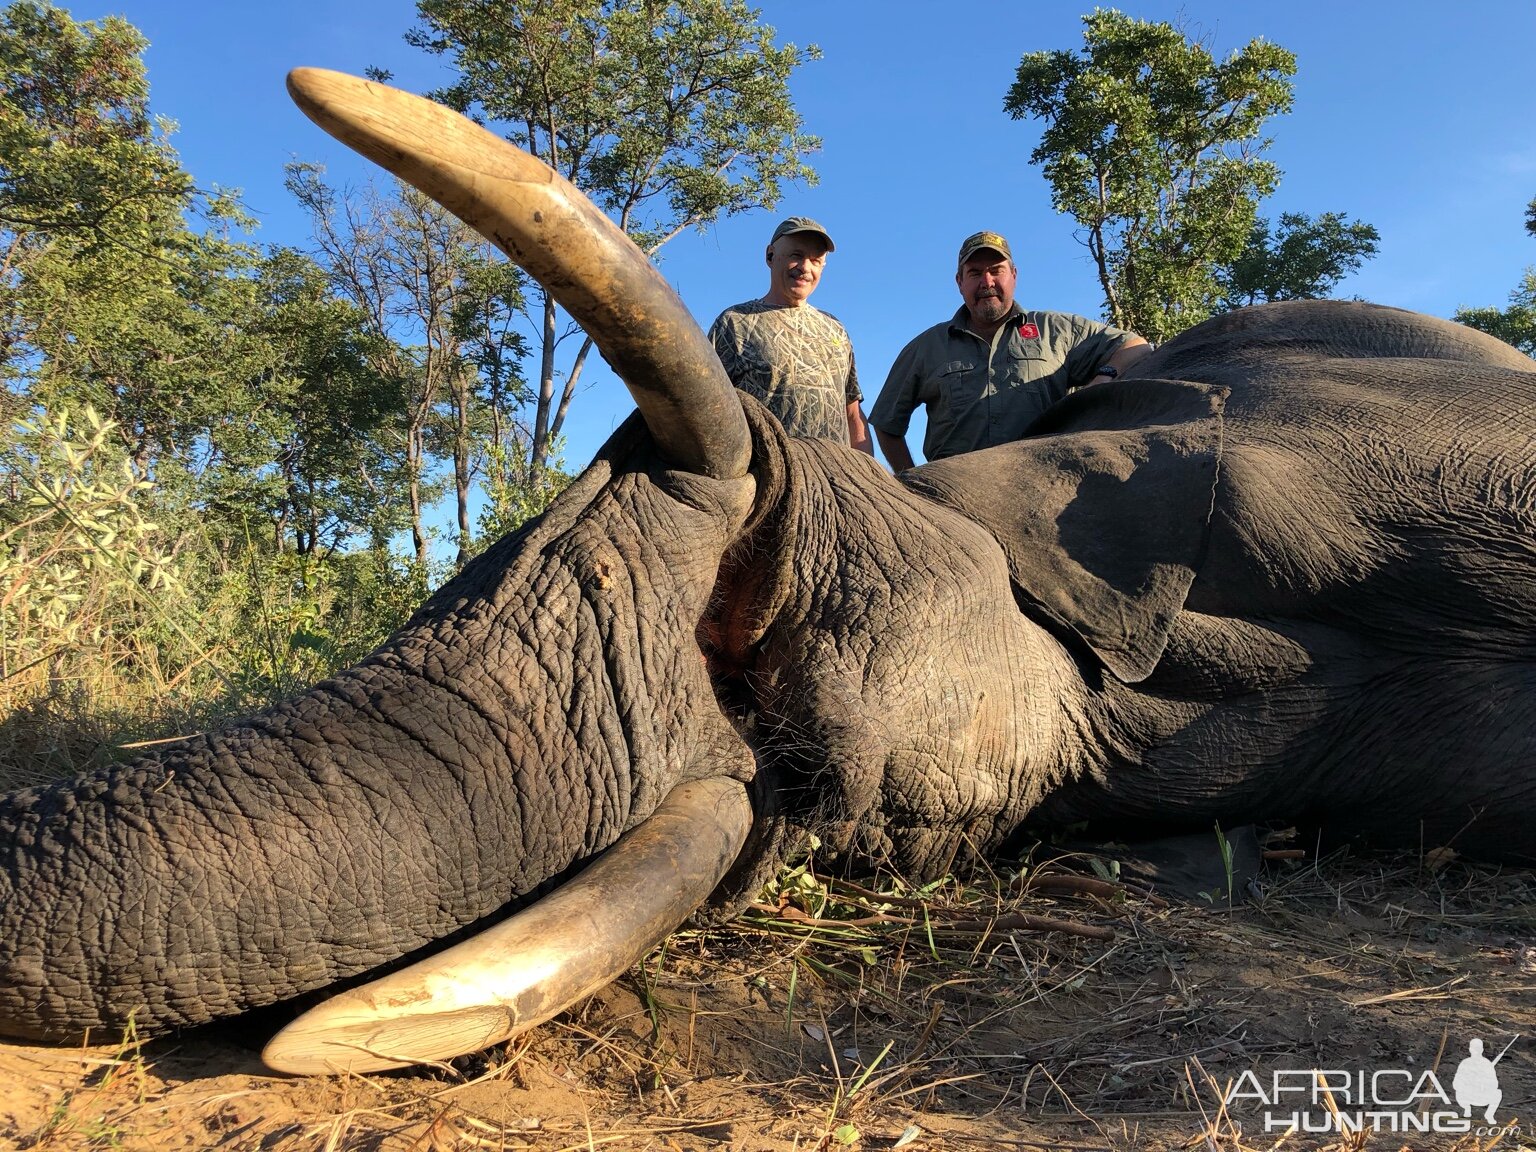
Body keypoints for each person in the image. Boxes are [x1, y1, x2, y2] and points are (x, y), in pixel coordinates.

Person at [871, 231, 1151, 471]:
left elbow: (1136, 346)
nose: (987, 282)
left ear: (1013, 276)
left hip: (1042, 488)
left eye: (996, 270)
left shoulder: (1058, 330)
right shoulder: (926, 346)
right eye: (975, 273)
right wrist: (911, 484)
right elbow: (886, 422)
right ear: (959, 282)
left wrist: (1104, 376)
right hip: (954, 501)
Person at [708, 217, 873, 455]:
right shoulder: (735, 322)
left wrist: (867, 476)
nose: (806, 268)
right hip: (766, 478)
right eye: (796, 255)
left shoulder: (835, 329)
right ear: (770, 255)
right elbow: (709, 409)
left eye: (816, 260)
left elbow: (852, 413)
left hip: (833, 481)